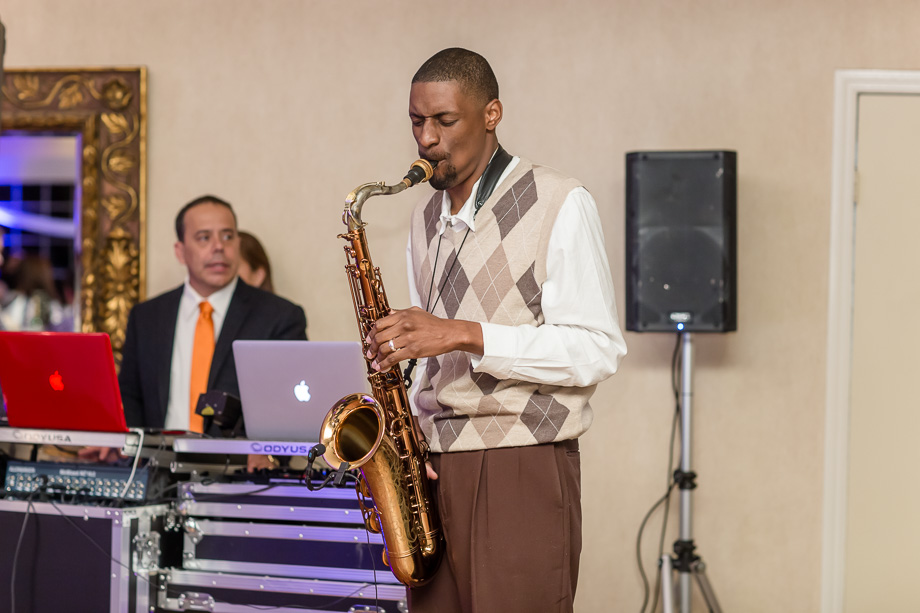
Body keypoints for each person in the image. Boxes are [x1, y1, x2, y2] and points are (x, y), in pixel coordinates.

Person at [365, 48, 627, 612]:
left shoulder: (560, 200)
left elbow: (596, 349)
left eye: (444, 120)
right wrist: (408, 428)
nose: (427, 138)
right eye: (417, 121)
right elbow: (425, 349)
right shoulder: (424, 217)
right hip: (436, 466)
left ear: (491, 114)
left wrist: (465, 333)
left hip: (522, 461)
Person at [117, 195, 307, 438]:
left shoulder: (279, 316)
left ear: (238, 244)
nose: (219, 246)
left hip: (239, 471)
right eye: (204, 238)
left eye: (227, 236)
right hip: (159, 467)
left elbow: (290, 403)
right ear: (181, 252)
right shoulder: (147, 317)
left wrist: (267, 457)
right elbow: (131, 396)